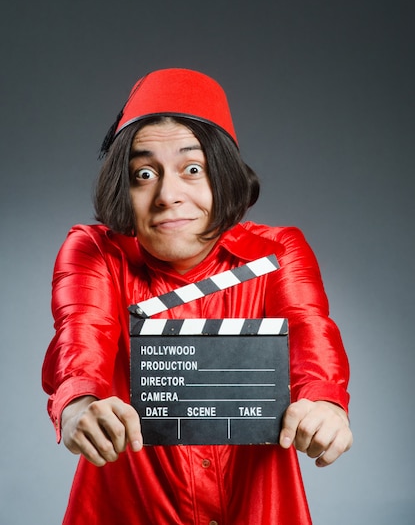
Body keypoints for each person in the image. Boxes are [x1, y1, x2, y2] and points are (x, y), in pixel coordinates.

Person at [42, 68, 352, 525]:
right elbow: (80, 334)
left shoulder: (277, 250)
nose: (169, 195)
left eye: (193, 169)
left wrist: (325, 403)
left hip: (256, 506)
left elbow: (310, 332)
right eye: (144, 173)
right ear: (123, 189)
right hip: (129, 509)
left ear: (224, 176)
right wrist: (78, 405)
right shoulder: (95, 252)